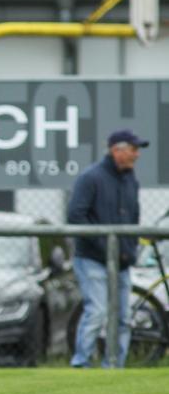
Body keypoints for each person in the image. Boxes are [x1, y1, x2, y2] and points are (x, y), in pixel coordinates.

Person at [68, 128, 146, 368]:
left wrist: (129, 249)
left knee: (123, 317)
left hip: (121, 261)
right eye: (133, 149)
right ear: (117, 150)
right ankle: (81, 363)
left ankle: (115, 365)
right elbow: (75, 215)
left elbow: (133, 216)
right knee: (97, 312)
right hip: (92, 258)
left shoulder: (130, 179)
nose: (136, 155)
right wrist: (105, 245)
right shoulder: (91, 178)